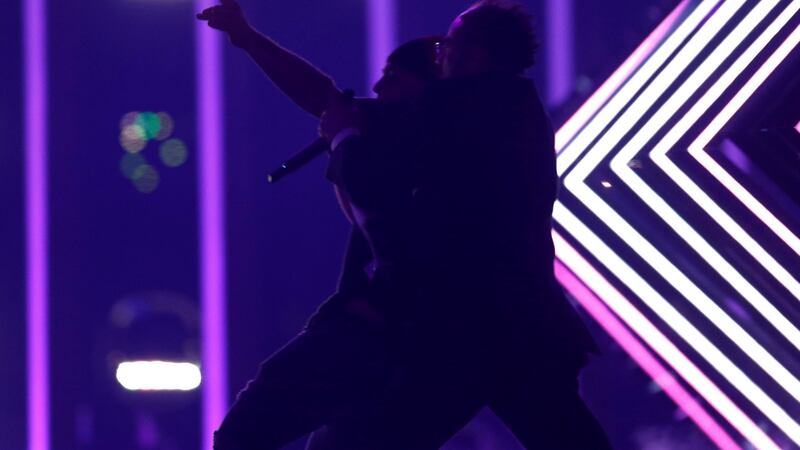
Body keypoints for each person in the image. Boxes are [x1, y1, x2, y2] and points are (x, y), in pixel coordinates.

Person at [315, 1, 613, 448]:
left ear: (472, 55)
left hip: (467, 327)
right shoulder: (515, 108)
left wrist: (342, 137)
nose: (439, 57)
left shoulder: (454, 108)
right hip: (520, 322)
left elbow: (373, 180)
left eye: (447, 45)